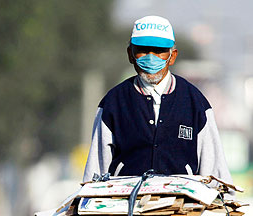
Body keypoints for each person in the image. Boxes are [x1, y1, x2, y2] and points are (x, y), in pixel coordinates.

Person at [82, 15, 232, 184]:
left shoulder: (195, 103)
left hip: (182, 206)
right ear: (130, 54)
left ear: (172, 56)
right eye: (143, 50)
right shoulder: (114, 103)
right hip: (126, 205)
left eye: (159, 51)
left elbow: (214, 171)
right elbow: (96, 169)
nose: (150, 57)